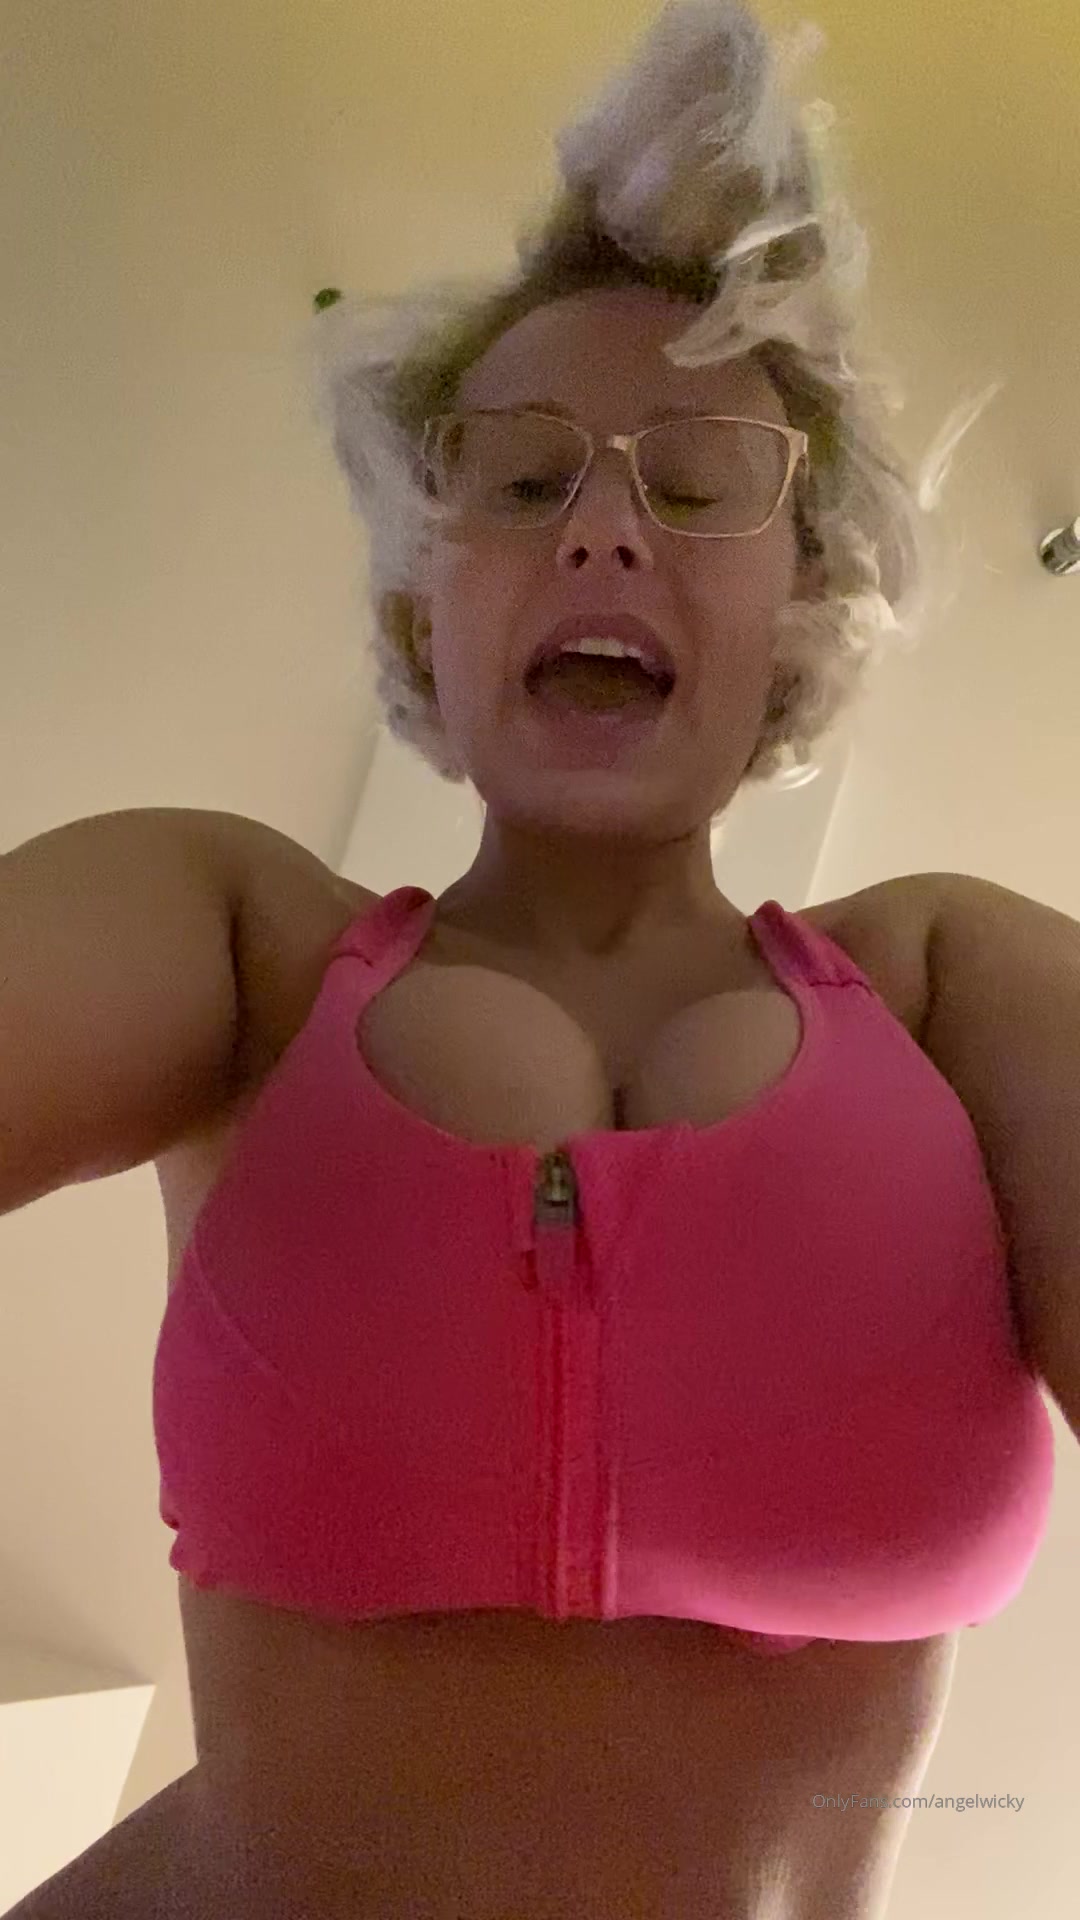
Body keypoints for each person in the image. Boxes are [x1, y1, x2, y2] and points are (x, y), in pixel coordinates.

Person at [2, 4, 1058, 1916]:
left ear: (802, 598)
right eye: (519, 477)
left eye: (701, 479)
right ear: (430, 600)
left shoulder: (953, 993)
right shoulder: (237, 948)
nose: (603, 530)